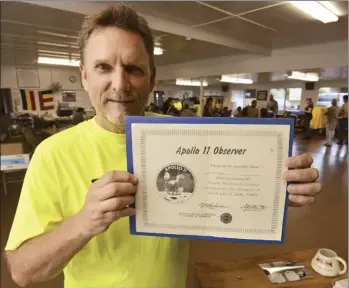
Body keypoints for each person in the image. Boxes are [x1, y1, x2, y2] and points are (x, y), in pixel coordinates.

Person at [4, 5, 322, 288]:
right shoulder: (53, 154)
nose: (119, 84)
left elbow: (226, 191)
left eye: (133, 68)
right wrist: (84, 223)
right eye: (103, 67)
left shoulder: (179, 135)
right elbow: (22, 272)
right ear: (85, 76)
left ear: (152, 79)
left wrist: (277, 190)